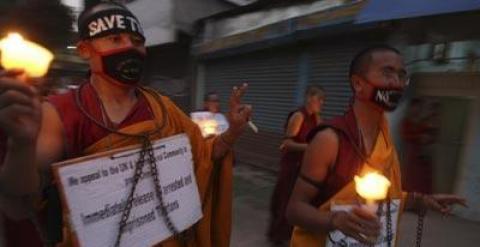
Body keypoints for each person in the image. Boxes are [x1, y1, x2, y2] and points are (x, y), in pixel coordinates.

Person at [0, 2, 251, 247]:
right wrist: (21, 144)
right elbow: (20, 200)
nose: (130, 48)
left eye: (137, 42)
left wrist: (232, 133)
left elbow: (205, 156)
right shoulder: (60, 112)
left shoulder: (162, 108)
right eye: (116, 39)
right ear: (85, 50)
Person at [286, 45, 466, 247]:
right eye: (387, 73)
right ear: (358, 84)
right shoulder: (330, 139)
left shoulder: (385, 137)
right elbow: (294, 209)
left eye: (401, 75)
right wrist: (334, 220)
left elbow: (383, 198)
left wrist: (420, 200)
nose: (396, 83)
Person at [268, 86, 324, 245]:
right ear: (309, 98)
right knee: (285, 200)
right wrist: (309, 147)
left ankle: (293, 234)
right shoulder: (298, 116)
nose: (322, 102)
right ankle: (279, 236)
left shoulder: (316, 118)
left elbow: (319, 135)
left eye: (323, 99)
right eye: (319, 99)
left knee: (300, 202)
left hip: (306, 167)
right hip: (291, 165)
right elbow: (286, 143)